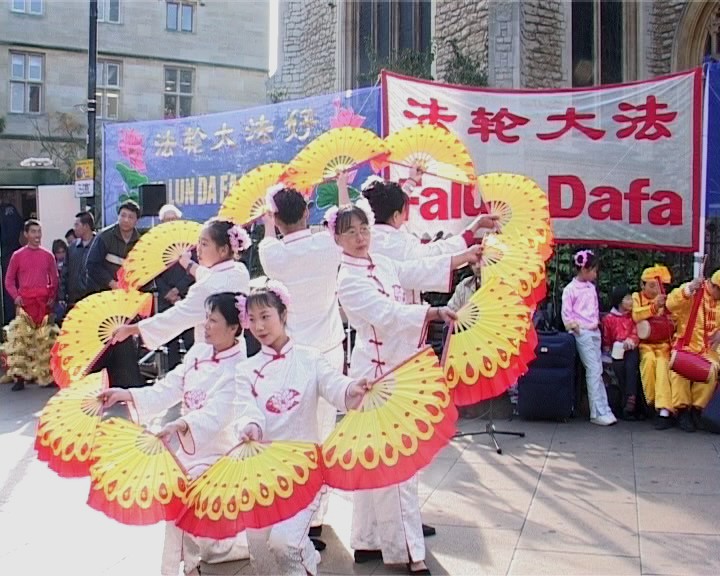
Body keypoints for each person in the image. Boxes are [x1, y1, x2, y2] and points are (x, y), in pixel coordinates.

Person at [331, 201, 481, 575]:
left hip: (401, 368)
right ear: (337, 239)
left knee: (377, 458)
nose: (360, 237)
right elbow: (387, 314)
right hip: (377, 378)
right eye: (350, 232)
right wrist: (431, 312)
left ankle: (368, 539)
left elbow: (418, 269)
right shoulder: (348, 280)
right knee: (395, 462)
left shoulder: (382, 262)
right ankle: (408, 550)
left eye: (364, 229)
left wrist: (463, 256)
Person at [98, 292, 250, 576]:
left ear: (234, 328)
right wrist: (125, 394)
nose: (206, 325)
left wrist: (181, 425)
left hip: (220, 454)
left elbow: (217, 414)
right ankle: (186, 566)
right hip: (189, 449)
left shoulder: (241, 368)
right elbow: (168, 387)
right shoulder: (197, 353)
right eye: (206, 318)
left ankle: (177, 569)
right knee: (176, 500)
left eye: (213, 320)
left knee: (180, 497)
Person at [233, 282, 369, 576]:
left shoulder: (310, 358)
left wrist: (352, 389)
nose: (259, 326)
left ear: (283, 314)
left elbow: (335, 386)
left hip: (304, 469)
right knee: (260, 552)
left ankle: (304, 559)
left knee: (284, 544)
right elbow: (245, 408)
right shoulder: (246, 370)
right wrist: (250, 426)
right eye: (252, 319)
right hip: (262, 471)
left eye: (265, 316)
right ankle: (308, 556)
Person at [258, 178, 350, 545]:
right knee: (324, 431)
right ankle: (315, 517)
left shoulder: (274, 254)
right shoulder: (328, 243)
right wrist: (341, 186)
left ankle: (294, 508)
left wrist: (268, 222)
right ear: (307, 212)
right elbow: (345, 218)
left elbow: (269, 240)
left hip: (293, 354)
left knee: (293, 431)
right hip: (329, 348)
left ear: (276, 219)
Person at [112, 219, 250, 360]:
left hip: (210, 356)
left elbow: (175, 318)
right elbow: (208, 275)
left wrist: (132, 329)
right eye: (198, 243)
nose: (198, 249)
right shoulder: (239, 270)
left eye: (204, 244)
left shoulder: (206, 288)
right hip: (236, 352)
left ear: (223, 250)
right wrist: (187, 264)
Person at [359, 169, 499, 304]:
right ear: (396, 215)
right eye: (404, 211)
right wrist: (474, 228)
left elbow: (388, 206)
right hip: (398, 312)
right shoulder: (401, 245)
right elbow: (436, 255)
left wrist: (411, 181)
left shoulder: (365, 238)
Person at [85, 200, 143, 389]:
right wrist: (112, 284)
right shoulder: (105, 237)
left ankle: (127, 383)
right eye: (123, 215)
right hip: (104, 298)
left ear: (136, 221)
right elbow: (91, 265)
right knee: (103, 340)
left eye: (130, 217)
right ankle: (98, 383)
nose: (126, 220)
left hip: (127, 301)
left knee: (124, 339)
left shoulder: (140, 241)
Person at [561, 249, 617, 426]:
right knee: (593, 369)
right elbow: (566, 315)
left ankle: (603, 408)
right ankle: (597, 411)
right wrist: (575, 326)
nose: (595, 274)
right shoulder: (570, 290)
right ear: (584, 270)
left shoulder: (591, 288)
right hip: (582, 333)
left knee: (597, 369)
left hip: (594, 331)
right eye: (593, 270)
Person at [2, 219, 59, 390]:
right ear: (26, 234)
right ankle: (20, 377)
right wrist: (16, 296)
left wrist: (52, 296)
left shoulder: (48, 255)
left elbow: (55, 279)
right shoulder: (17, 255)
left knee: (46, 341)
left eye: (39, 231)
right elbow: (9, 280)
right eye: (33, 232)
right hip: (25, 303)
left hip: (43, 303)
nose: (37, 235)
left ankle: (47, 376)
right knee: (21, 341)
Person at [665, 271, 720, 432]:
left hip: (708, 350)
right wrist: (688, 289)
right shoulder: (694, 290)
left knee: (712, 370)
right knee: (679, 372)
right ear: (715, 287)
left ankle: (697, 410)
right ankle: (682, 411)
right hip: (685, 345)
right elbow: (670, 304)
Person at [632, 265, 674, 429]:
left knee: (663, 365)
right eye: (651, 285)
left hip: (663, 345)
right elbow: (636, 315)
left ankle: (663, 410)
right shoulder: (637, 297)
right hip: (646, 345)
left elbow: (675, 318)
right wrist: (654, 307)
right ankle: (652, 401)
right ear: (642, 285)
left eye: (658, 286)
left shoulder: (667, 298)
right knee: (649, 362)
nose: (655, 289)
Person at [154, 204, 195, 370]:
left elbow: (194, 269)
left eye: (173, 219)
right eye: (166, 220)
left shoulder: (189, 242)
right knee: (170, 342)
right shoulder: (157, 244)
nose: (170, 222)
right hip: (166, 299)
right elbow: (154, 273)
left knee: (191, 339)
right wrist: (167, 293)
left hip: (187, 295)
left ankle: (193, 371)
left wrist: (178, 290)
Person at [601, 285, 641, 420]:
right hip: (616, 350)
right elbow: (607, 338)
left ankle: (630, 399)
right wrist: (608, 348)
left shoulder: (633, 316)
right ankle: (625, 399)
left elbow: (636, 332)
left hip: (631, 349)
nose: (631, 302)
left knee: (630, 365)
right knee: (618, 367)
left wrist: (631, 340)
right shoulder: (609, 318)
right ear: (619, 301)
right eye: (627, 299)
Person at [60, 211, 96, 310]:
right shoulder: (72, 247)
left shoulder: (99, 245)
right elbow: (65, 273)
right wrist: (62, 296)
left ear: (86, 226)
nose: (74, 228)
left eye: (77, 225)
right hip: (73, 300)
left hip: (93, 299)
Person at [0, 192, 25, 325]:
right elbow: (22, 227)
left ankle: (10, 322)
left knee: (8, 289)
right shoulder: (12, 209)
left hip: (5, 254)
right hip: (16, 250)